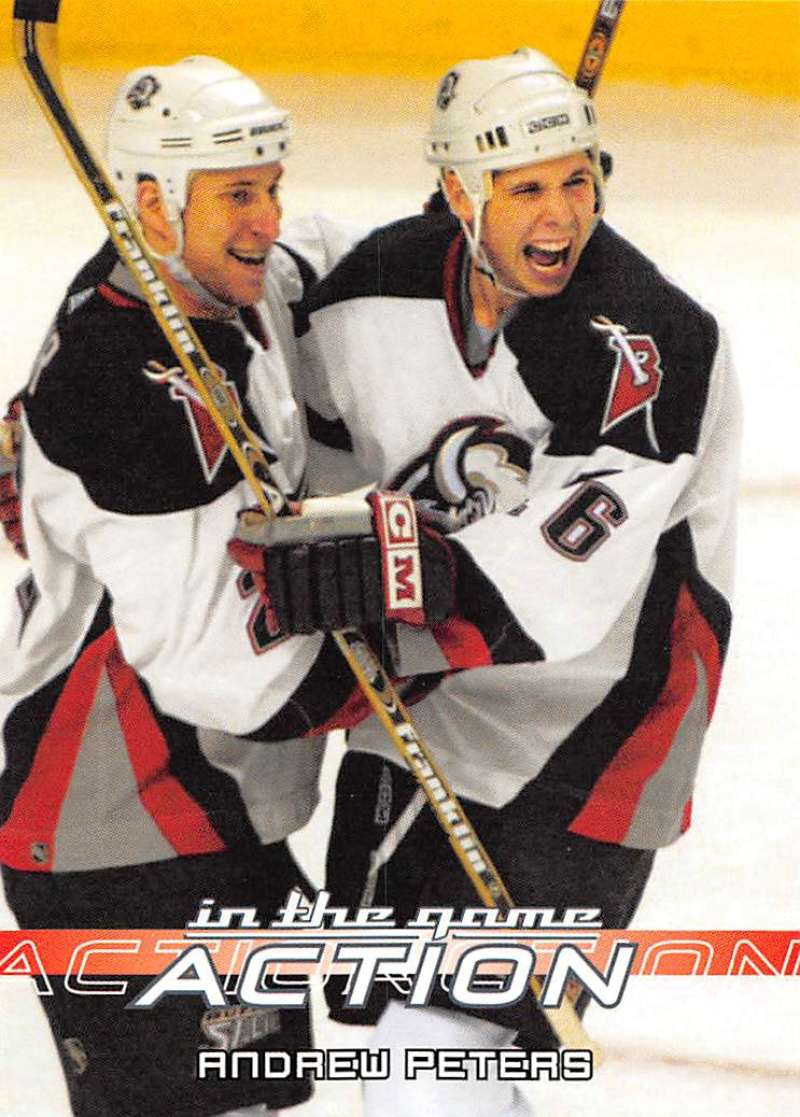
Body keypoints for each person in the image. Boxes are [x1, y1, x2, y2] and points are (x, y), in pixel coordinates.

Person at [245, 47, 741, 1117]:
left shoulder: (648, 340)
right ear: (459, 191)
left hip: (599, 724)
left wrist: (386, 578)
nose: (562, 213)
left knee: (434, 1050)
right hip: (422, 706)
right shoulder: (373, 285)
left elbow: (561, 583)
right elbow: (252, 329)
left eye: (577, 180)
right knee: (404, 1039)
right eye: (525, 188)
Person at [0, 54, 460, 1117]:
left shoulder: (219, 285)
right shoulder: (122, 387)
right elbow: (227, 677)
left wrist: (461, 235)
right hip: (116, 824)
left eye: (271, 186)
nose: (267, 220)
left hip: (207, 818)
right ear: (153, 204)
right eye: (238, 195)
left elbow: (331, 265)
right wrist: (441, 635)